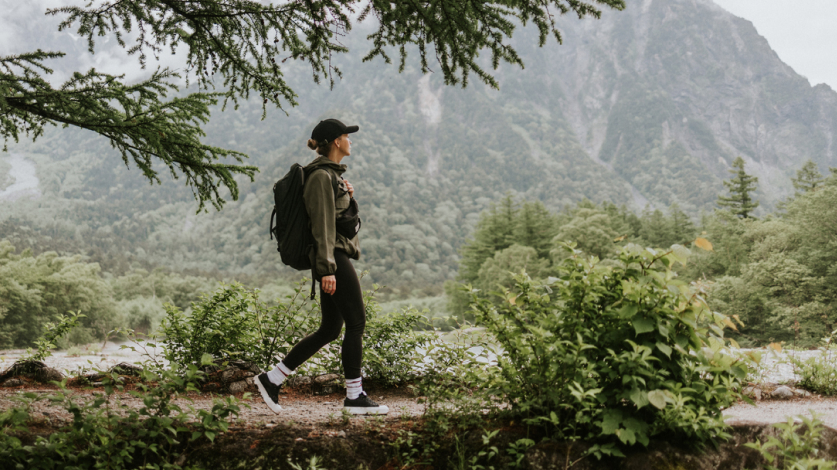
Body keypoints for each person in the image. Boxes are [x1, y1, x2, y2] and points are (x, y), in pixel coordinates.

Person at [255, 119, 388, 415]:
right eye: (346, 136)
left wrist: (348, 196)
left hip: (332, 256)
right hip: (332, 258)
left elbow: (339, 220)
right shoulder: (320, 177)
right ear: (335, 142)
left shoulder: (331, 176)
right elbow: (322, 226)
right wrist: (327, 268)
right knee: (356, 323)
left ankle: (272, 379)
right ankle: (354, 396)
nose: (350, 140)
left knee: (330, 328)